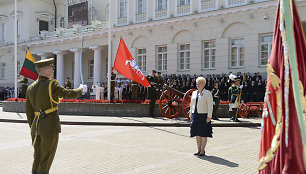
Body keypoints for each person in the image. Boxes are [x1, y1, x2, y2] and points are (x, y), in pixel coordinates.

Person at [25, 58, 87, 174]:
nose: (53, 69)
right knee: (46, 158)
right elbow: (67, 93)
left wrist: (33, 128)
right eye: (51, 67)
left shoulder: (30, 87)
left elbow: (29, 112)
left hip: (36, 128)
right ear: (46, 70)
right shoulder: (51, 84)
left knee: (37, 157)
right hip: (49, 127)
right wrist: (80, 90)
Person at [189, 77, 213, 156]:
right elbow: (191, 104)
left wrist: (209, 116)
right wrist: (190, 114)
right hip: (195, 115)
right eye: (196, 84)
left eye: (199, 84)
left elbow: (210, 106)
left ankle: (203, 150)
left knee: (203, 133)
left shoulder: (207, 93)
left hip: (203, 115)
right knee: (197, 134)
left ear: (203, 84)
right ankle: (198, 149)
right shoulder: (194, 93)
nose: (197, 85)